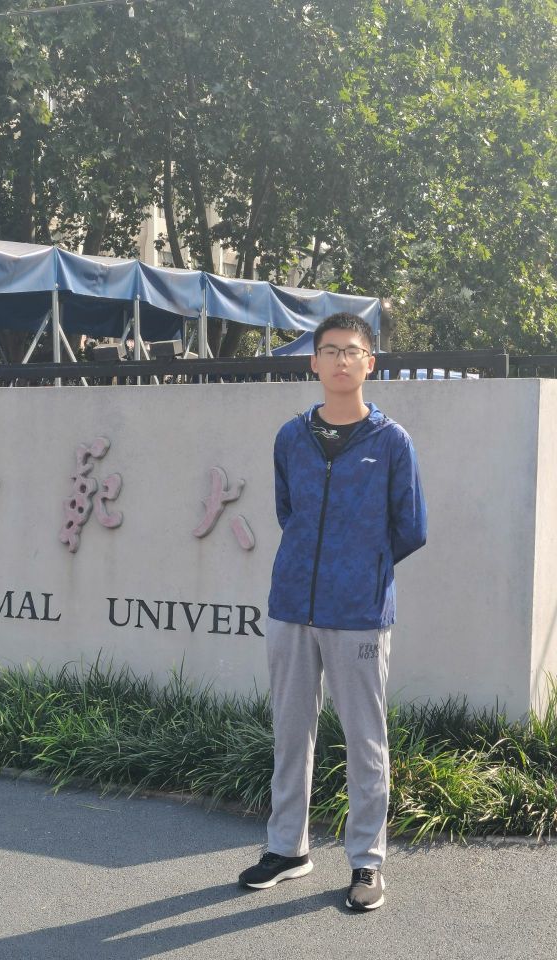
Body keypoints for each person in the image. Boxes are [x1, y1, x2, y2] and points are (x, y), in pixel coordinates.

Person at [238, 312, 427, 911]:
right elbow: (287, 512)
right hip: (292, 605)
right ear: (314, 362)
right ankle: (287, 848)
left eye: (352, 350)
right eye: (330, 350)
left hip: (358, 612)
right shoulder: (291, 437)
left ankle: (367, 861)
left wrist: (362, 568)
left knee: (366, 740)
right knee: (291, 731)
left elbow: (411, 528)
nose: (341, 360)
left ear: (370, 363)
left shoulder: (391, 442)